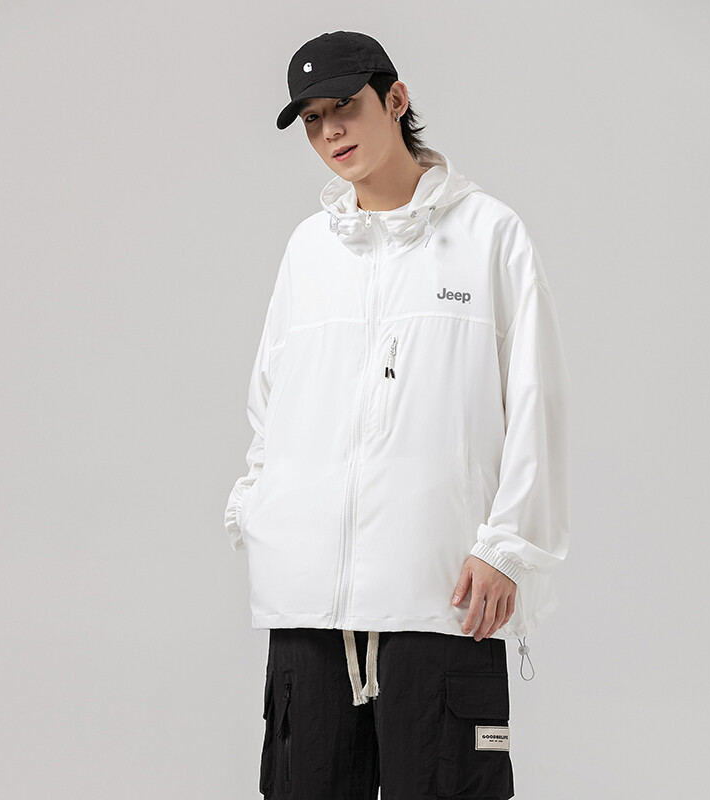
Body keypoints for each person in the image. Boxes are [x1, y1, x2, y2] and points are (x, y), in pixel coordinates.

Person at [224, 30, 571, 800]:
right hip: (309, 610)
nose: (330, 132)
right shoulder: (309, 250)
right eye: (312, 120)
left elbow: (536, 400)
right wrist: (259, 508)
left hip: (439, 601)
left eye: (343, 107)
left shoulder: (489, 237)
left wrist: (507, 546)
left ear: (396, 99)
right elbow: (270, 400)